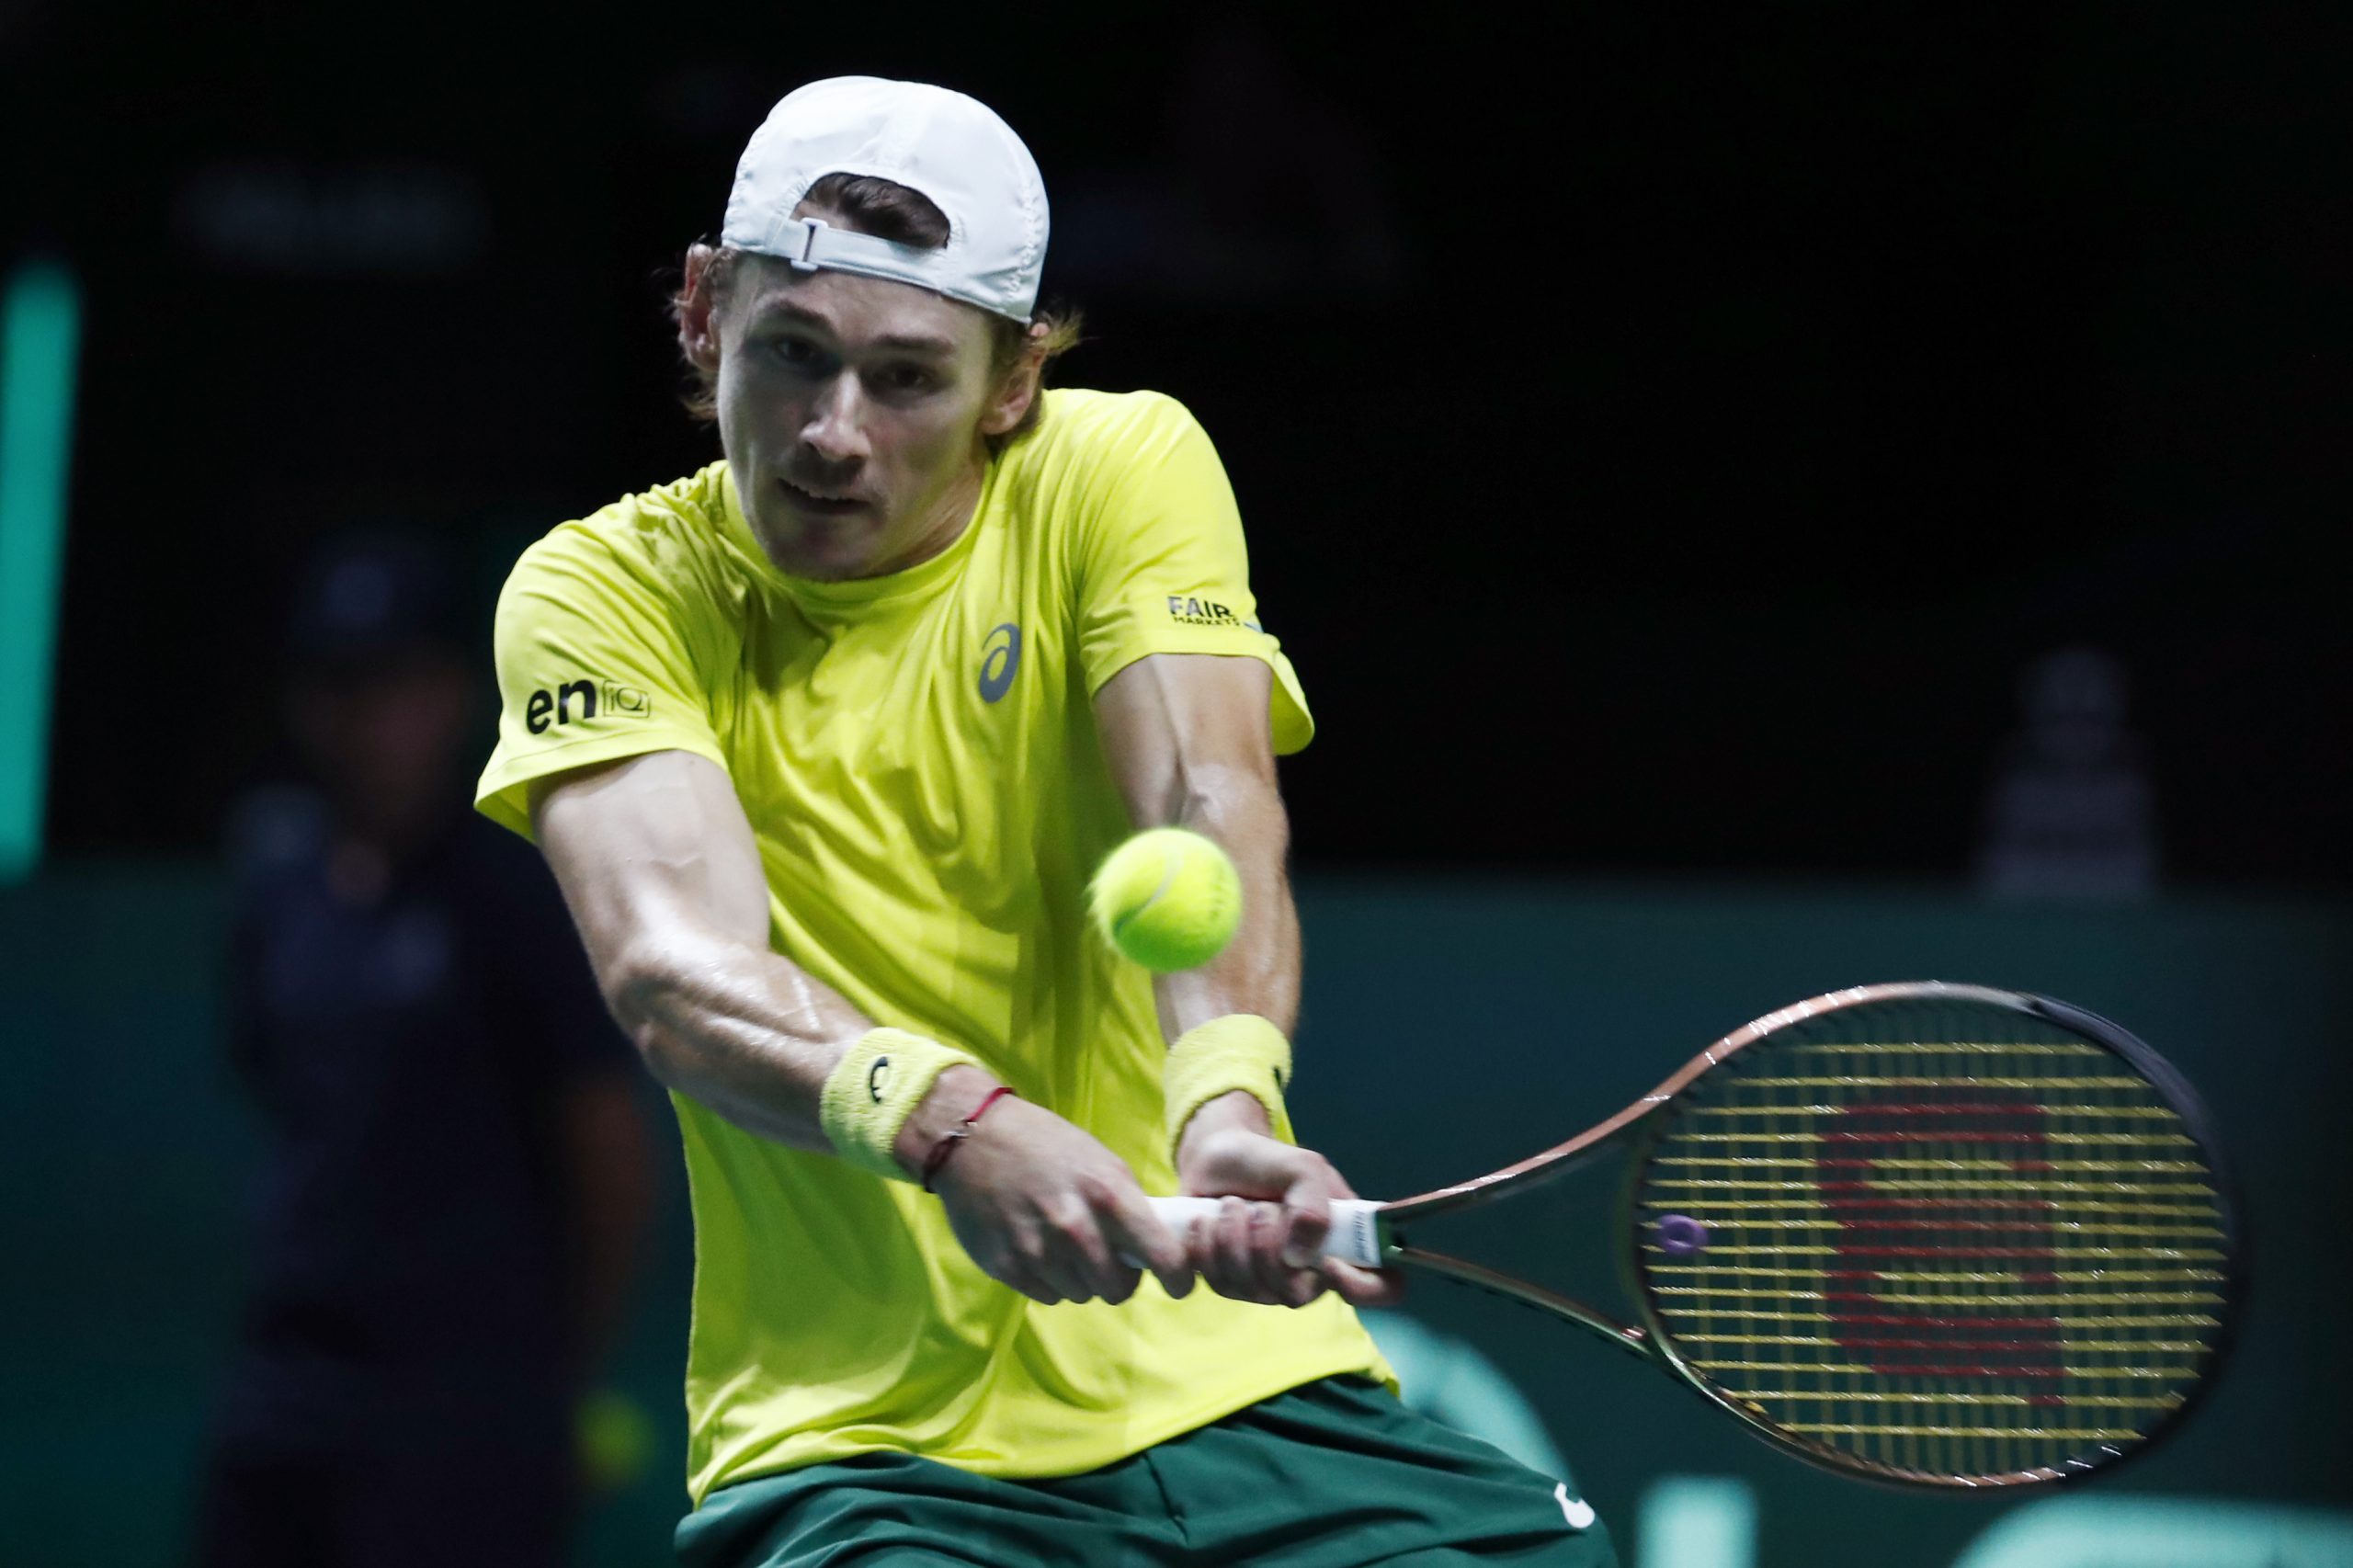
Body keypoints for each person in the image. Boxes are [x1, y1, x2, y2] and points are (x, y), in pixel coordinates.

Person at [477, 77, 1614, 1565]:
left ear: (1013, 381)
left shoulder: (1116, 467)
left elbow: (1201, 795)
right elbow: (676, 972)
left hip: (1241, 1400)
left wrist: (1225, 1096)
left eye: (907, 381)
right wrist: (948, 1125)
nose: (834, 433)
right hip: (865, 1450)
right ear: (702, 309)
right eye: (792, 355)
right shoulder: (599, 593)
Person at [198, 536, 656, 1568]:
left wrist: (553, 1382)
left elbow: (607, 1150)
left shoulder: (518, 890)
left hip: (470, 1405)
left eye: (396, 682)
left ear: (452, 696)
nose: (368, 720)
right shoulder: (276, 877)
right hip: (288, 1380)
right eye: (339, 683)